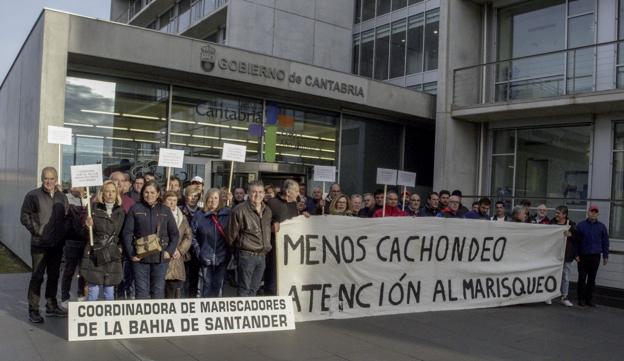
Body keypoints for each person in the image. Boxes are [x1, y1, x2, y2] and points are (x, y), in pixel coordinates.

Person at [20, 167, 69, 323]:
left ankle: (51, 305)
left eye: (52, 178)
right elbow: (24, 216)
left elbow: (66, 217)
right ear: (42, 179)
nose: (49, 181)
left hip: (56, 244)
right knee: (37, 277)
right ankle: (33, 310)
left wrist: (62, 232)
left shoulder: (62, 197)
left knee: (54, 275)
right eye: (46, 178)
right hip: (39, 244)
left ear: (56, 179)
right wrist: (37, 230)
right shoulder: (33, 195)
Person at [122, 180, 180, 299]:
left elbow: (174, 234)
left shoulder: (165, 210)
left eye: (153, 192)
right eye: (146, 192)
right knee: (141, 291)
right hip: (140, 257)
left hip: (160, 258)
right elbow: (127, 233)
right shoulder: (135, 209)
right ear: (142, 193)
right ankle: (142, 317)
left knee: (158, 291)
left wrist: (169, 251)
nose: (149, 195)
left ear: (158, 193)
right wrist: (131, 253)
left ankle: (157, 318)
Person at [80, 181, 125, 301]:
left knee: (109, 293)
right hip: (96, 253)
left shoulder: (121, 212)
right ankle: (90, 319)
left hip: (112, 254)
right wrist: (86, 225)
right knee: (93, 292)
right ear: (102, 193)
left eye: (113, 191)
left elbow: (123, 233)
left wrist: (120, 247)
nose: (110, 194)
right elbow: (83, 233)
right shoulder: (93, 209)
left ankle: (108, 320)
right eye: (107, 191)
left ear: (117, 194)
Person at [226, 181, 272, 297]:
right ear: (248, 193)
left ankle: (250, 314)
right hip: (246, 255)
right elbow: (231, 235)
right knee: (244, 289)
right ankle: (241, 314)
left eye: (260, 192)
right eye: (254, 192)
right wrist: (236, 254)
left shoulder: (267, 211)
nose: (257, 195)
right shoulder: (239, 210)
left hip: (262, 256)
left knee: (254, 289)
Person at [192, 188, 231, 297]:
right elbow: (192, 235)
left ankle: (217, 312)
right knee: (206, 285)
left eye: (216, 198)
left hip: (222, 257)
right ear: (206, 199)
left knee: (218, 286)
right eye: (210, 198)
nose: (213, 200)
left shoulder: (227, 214)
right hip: (206, 257)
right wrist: (199, 252)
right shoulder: (199, 215)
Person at [265, 180, 302, 295]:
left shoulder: (294, 205)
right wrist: (272, 224)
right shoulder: (271, 203)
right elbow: (263, 221)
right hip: (274, 248)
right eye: (296, 191)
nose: (298, 194)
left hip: (290, 248)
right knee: (273, 276)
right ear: (287, 191)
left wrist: (303, 214)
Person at [574, 205, 609, 307]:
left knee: (592, 279)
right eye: (591, 211)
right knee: (582, 278)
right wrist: (576, 255)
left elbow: (605, 242)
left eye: (595, 212)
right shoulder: (581, 226)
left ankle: (589, 300)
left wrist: (605, 256)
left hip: (595, 256)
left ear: (598, 214)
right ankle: (580, 299)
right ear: (588, 212)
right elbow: (575, 242)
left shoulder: (602, 227)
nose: (593, 213)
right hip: (583, 256)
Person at [60, 187, 87, 308]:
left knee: (84, 270)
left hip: (85, 240)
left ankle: (81, 294)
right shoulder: (65, 199)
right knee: (69, 270)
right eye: (77, 186)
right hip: (71, 240)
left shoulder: (88, 200)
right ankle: (65, 297)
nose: (80, 189)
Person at [163, 191, 192, 299]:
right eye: (169, 200)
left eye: (174, 200)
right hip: (163, 256)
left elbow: (188, 236)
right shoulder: (159, 214)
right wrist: (168, 249)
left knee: (174, 289)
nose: (172, 203)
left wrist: (180, 250)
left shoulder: (182, 217)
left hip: (176, 258)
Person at [181, 184, 203, 298]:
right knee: (182, 279)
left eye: (196, 196)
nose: (193, 198)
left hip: (196, 250)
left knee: (194, 279)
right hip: (183, 250)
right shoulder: (180, 210)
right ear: (186, 197)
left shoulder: (202, 212)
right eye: (191, 195)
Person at [552, 206, 575, 307]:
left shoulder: (572, 225)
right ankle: (549, 295)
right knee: (551, 274)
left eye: (558, 213)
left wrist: (571, 235)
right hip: (553, 254)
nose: (556, 215)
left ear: (564, 215)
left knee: (565, 277)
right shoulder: (552, 223)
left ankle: (564, 297)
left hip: (567, 255)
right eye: (556, 213)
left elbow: (578, 239)